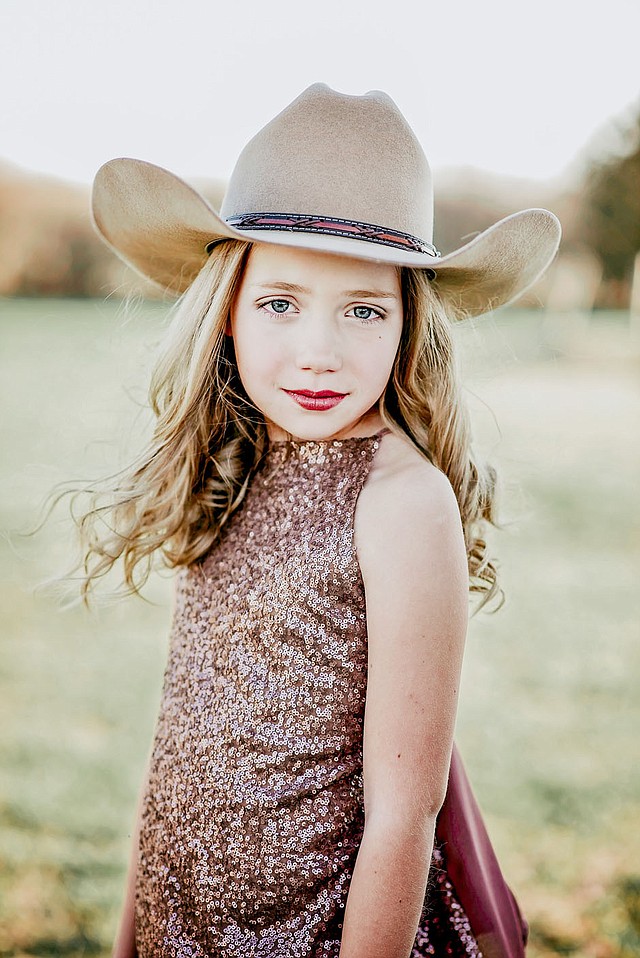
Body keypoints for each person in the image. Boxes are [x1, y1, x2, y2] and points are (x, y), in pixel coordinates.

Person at [79, 83, 560, 958]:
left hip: (323, 932)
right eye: (281, 302)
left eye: (364, 310)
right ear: (227, 309)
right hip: (184, 921)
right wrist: (134, 935)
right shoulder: (240, 462)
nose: (318, 352)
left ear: (409, 326)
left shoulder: (401, 503)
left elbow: (403, 817)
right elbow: (175, 747)